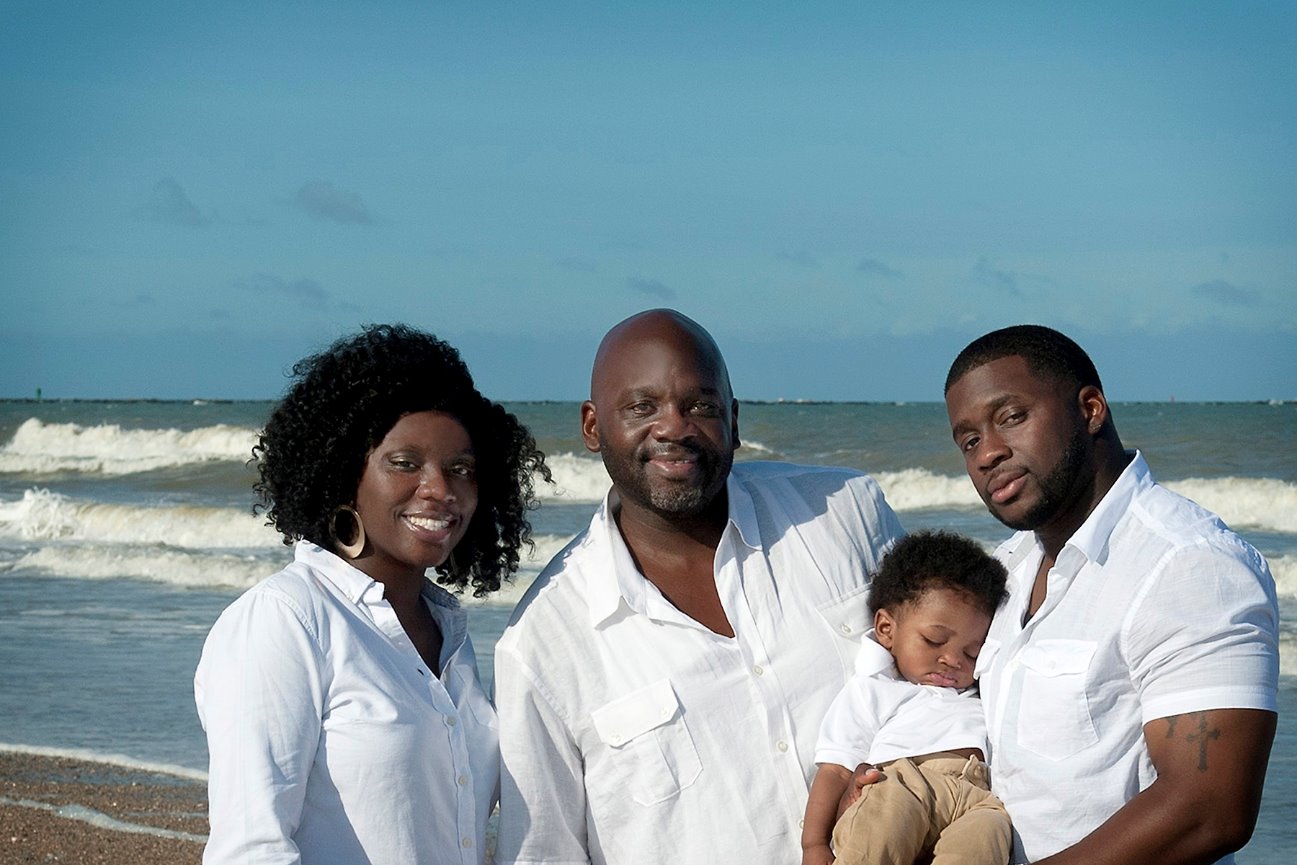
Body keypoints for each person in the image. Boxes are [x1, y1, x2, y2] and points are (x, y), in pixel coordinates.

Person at [493, 309, 905, 865]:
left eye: (701, 406)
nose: (674, 428)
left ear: (733, 418)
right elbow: (544, 852)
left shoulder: (844, 514)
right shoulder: (543, 642)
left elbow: (952, 671)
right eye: (641, 407)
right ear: (592, 427)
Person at [918, 324, 1277, 865]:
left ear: (1090, 410)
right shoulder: (1006, 568)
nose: (987, 453)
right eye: (968, 441)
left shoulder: (1188, 564)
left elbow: (1209, 808)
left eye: (1011, 417)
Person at [194, 324, 549, 865]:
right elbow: (251, 849)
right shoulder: (287, 620)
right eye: (405, 464)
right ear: (344, 471)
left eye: (461, 469)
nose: (441, 489)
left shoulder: (446, 632)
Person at [802, 530, 1012, 865]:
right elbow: (836, 770)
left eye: (972, 652)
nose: (953, 660)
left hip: (975, 795)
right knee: (882, 827)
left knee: (990, 830)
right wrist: (814, 844)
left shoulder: (981, 690)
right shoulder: (874, 687)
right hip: (903, 781)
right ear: (887, 630)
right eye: (934, 640)